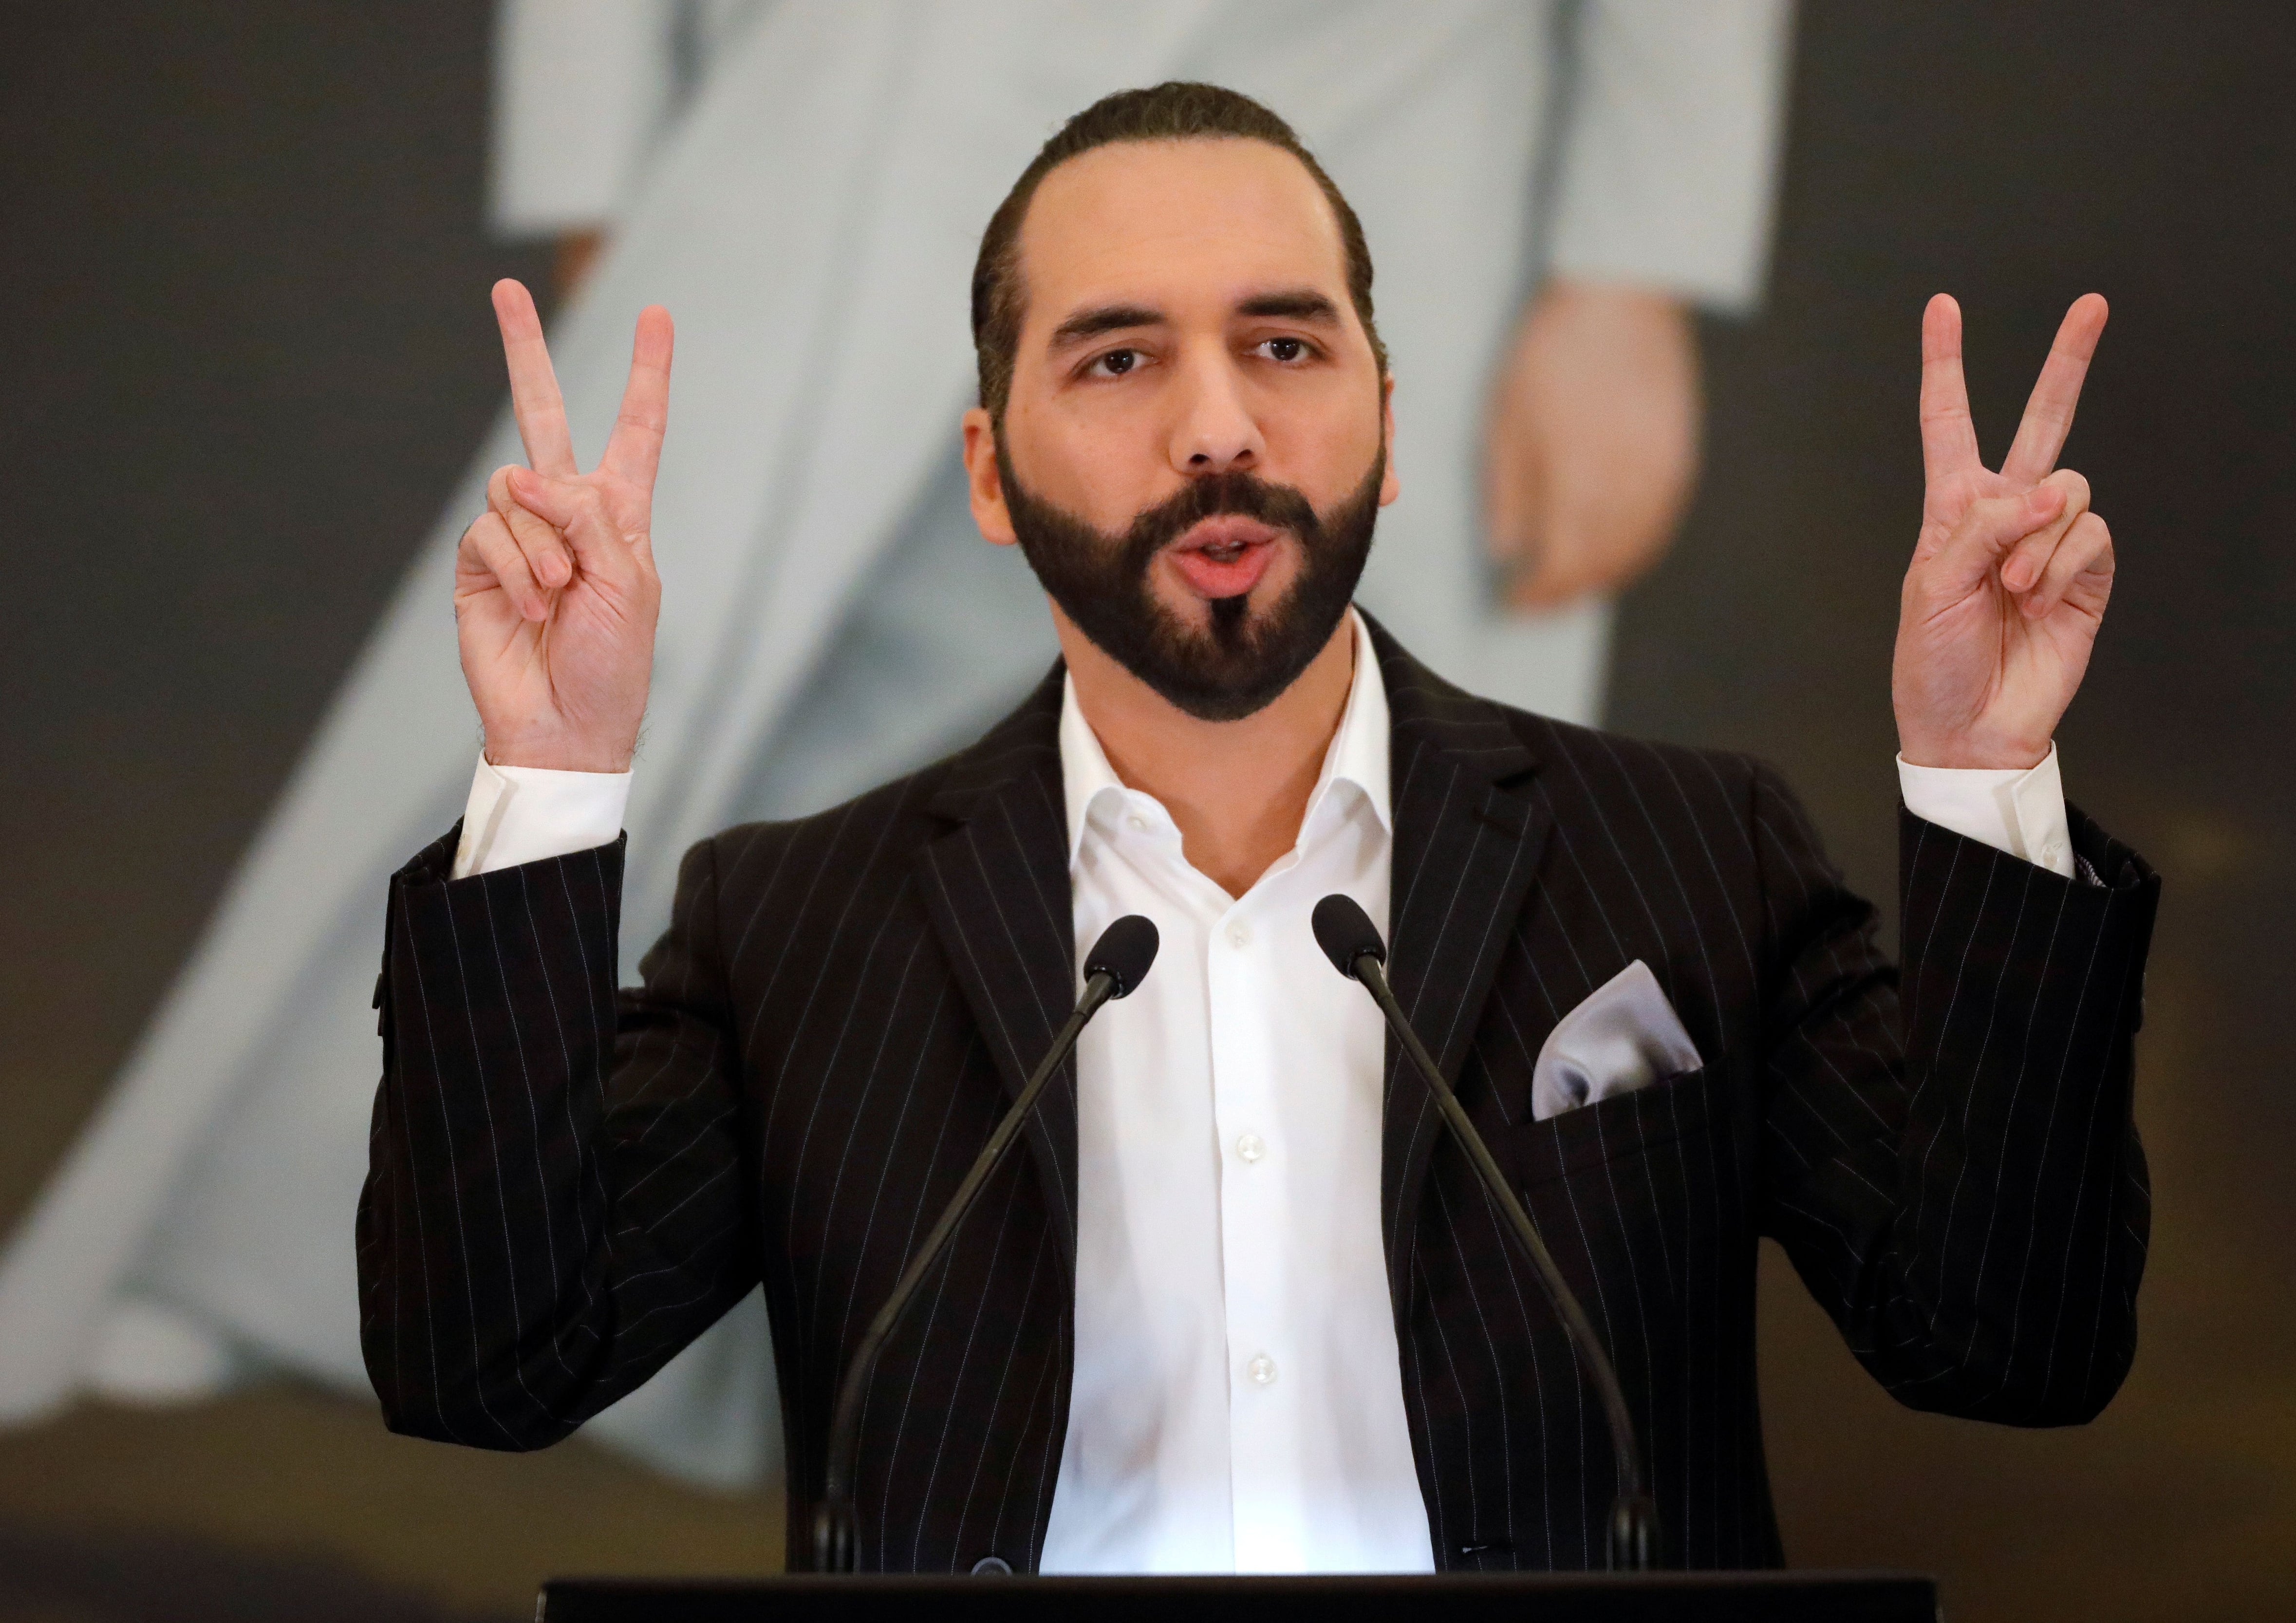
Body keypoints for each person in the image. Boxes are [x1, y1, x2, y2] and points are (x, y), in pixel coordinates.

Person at [361, 84, 2154, 1573]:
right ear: (990, 472)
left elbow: (2011, 1343)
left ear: (1384, 417)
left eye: (1283, 342)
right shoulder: (797, 921)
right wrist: (554, 767)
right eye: (1120, 360)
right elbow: (488, 1362)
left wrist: (1982, 774)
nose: (1219, 428)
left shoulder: (1691, 853)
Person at [0, 1, 1791, 1484]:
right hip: (885, 64)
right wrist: (601, 147)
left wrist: (1633, 261)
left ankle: (1238, 1437)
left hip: (1397, 75)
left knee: (1334, 810)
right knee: (633, 645)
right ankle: (282, 1224)